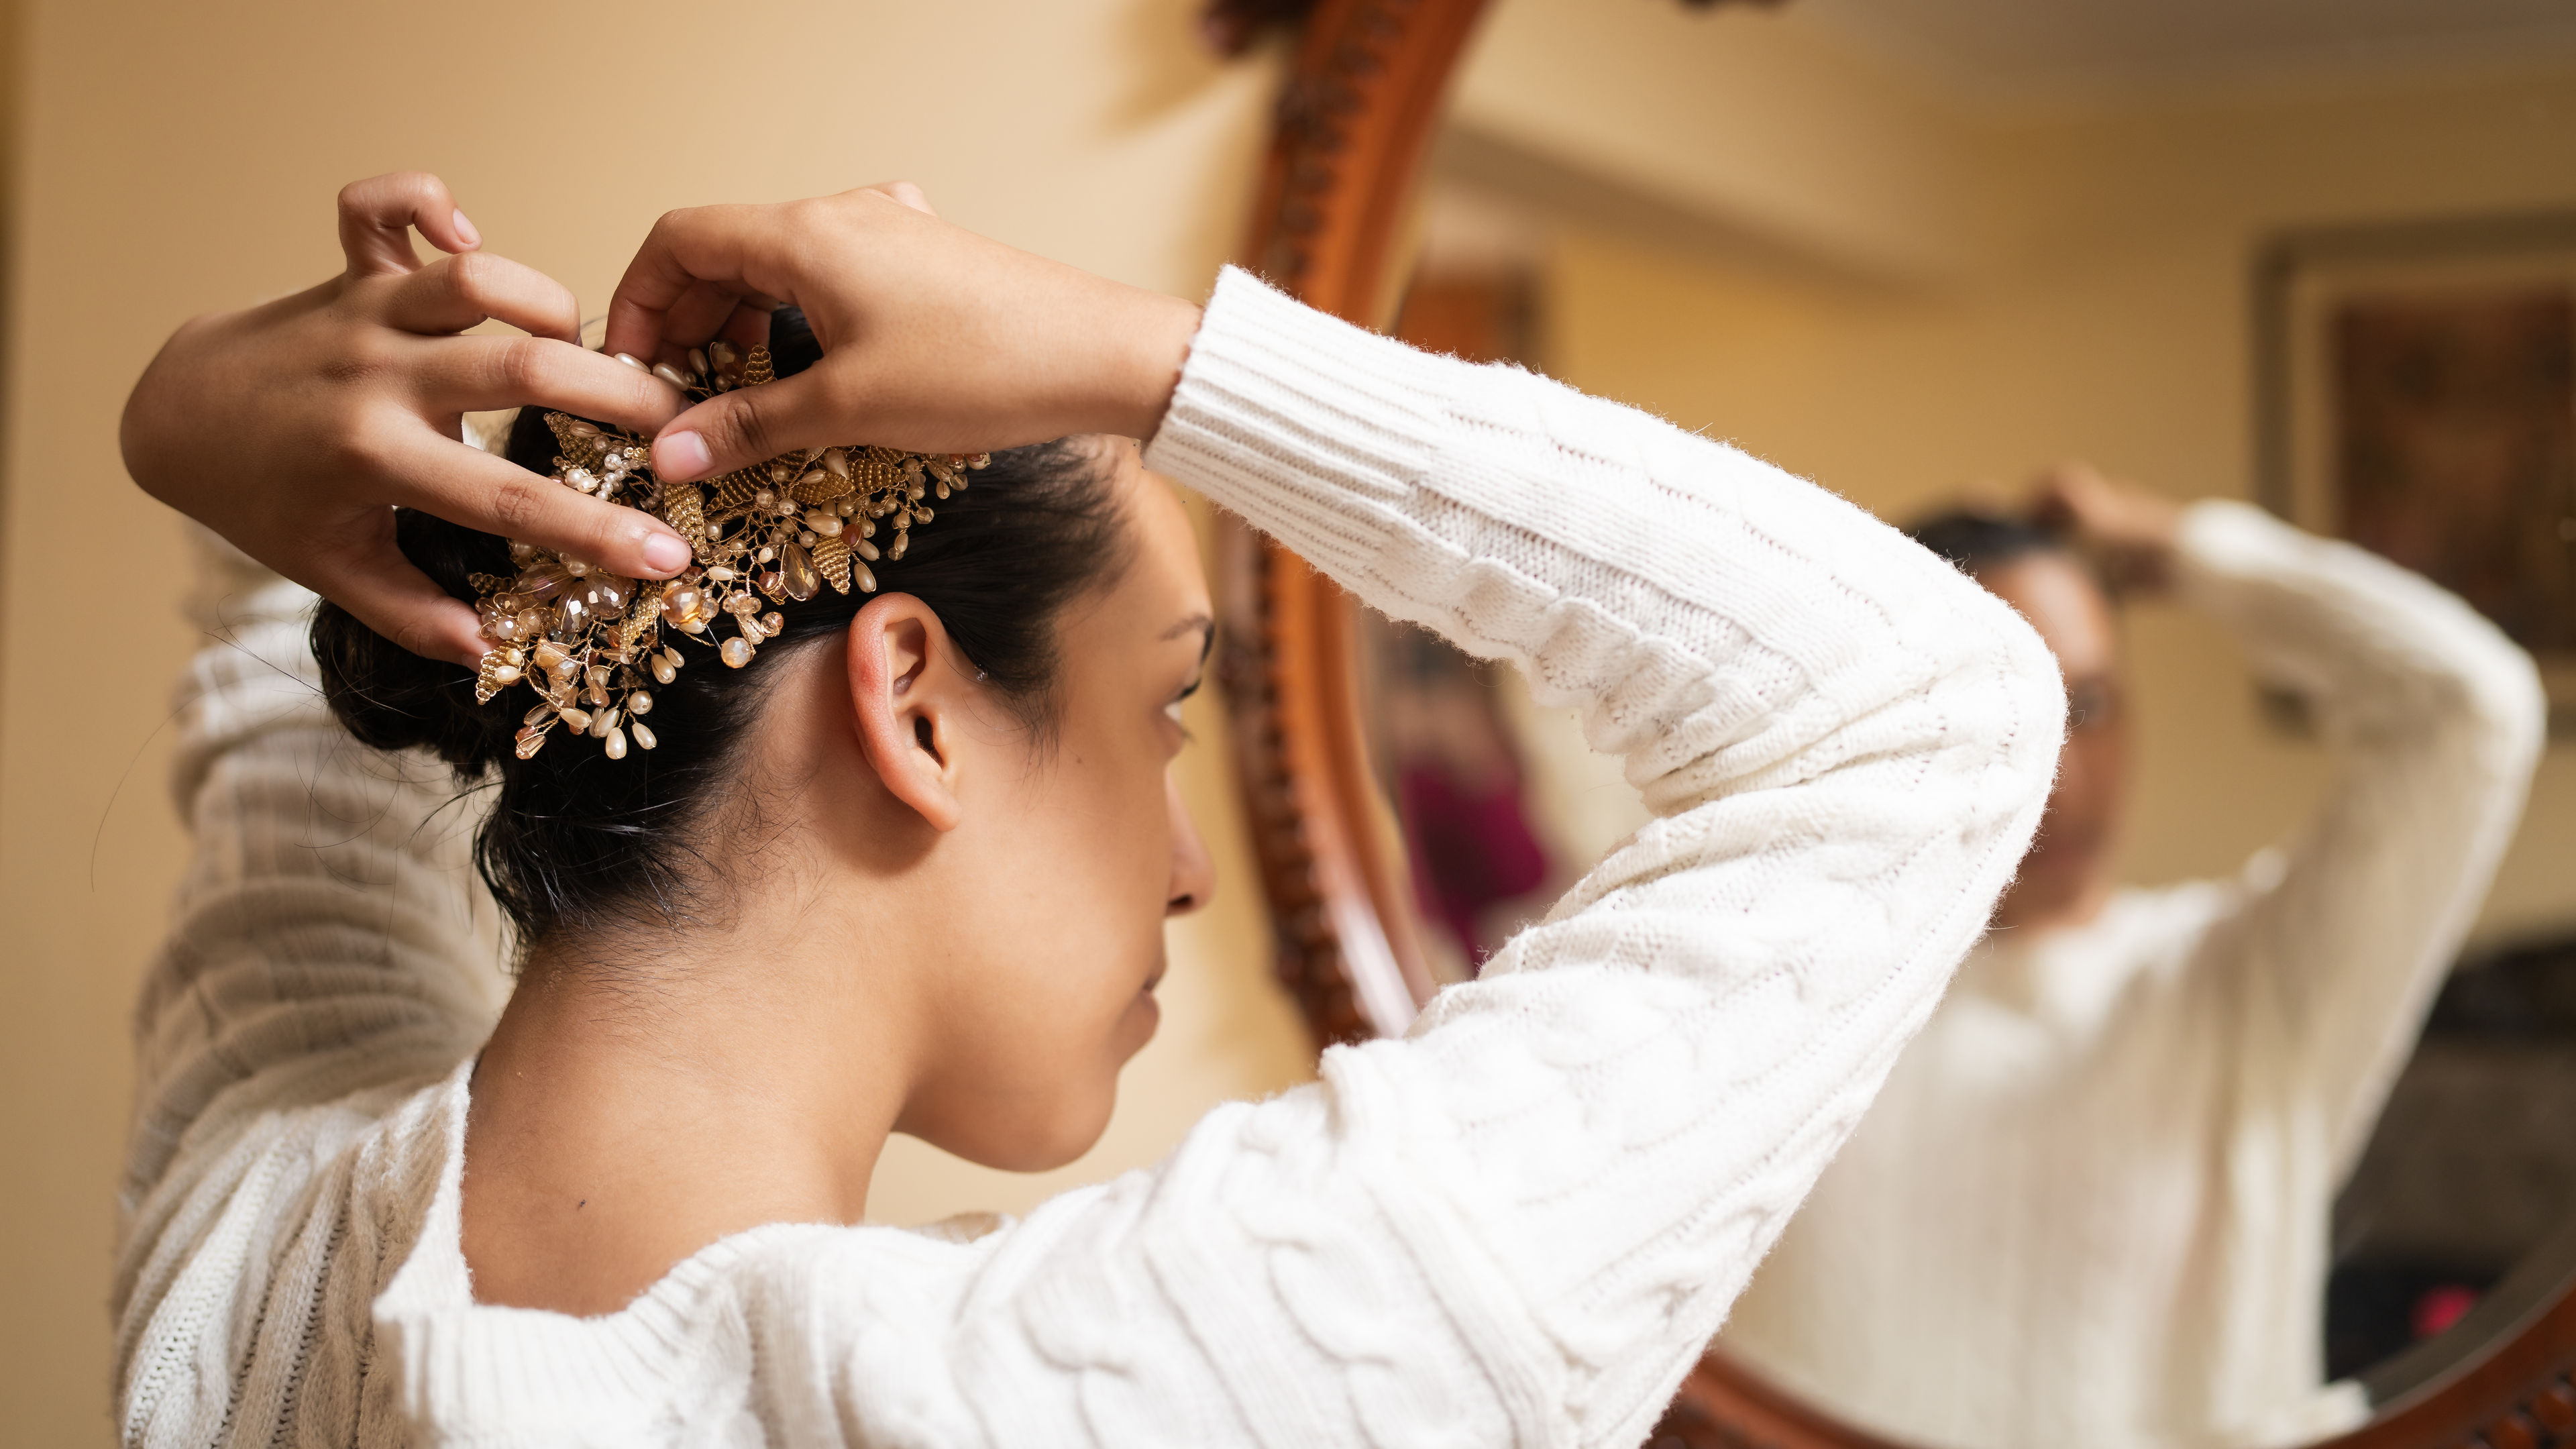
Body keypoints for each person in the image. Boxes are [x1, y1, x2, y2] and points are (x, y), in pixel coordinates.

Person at [112, 172, 2063, 1448]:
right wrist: (1159, 360)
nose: (1197, 865)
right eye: (1167, 707)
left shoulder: (252, 1238)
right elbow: (1925, 710)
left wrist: (174, 412)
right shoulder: (1140, 1385)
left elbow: (287, 651)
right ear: (919, 709)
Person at [1718, 466, 2548, 1449]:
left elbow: (2468, 708)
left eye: (2093, 706)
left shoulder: (2251, 987)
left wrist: (2179, 549)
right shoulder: (1773, 998)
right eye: (2007, 719)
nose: (2061, 779)